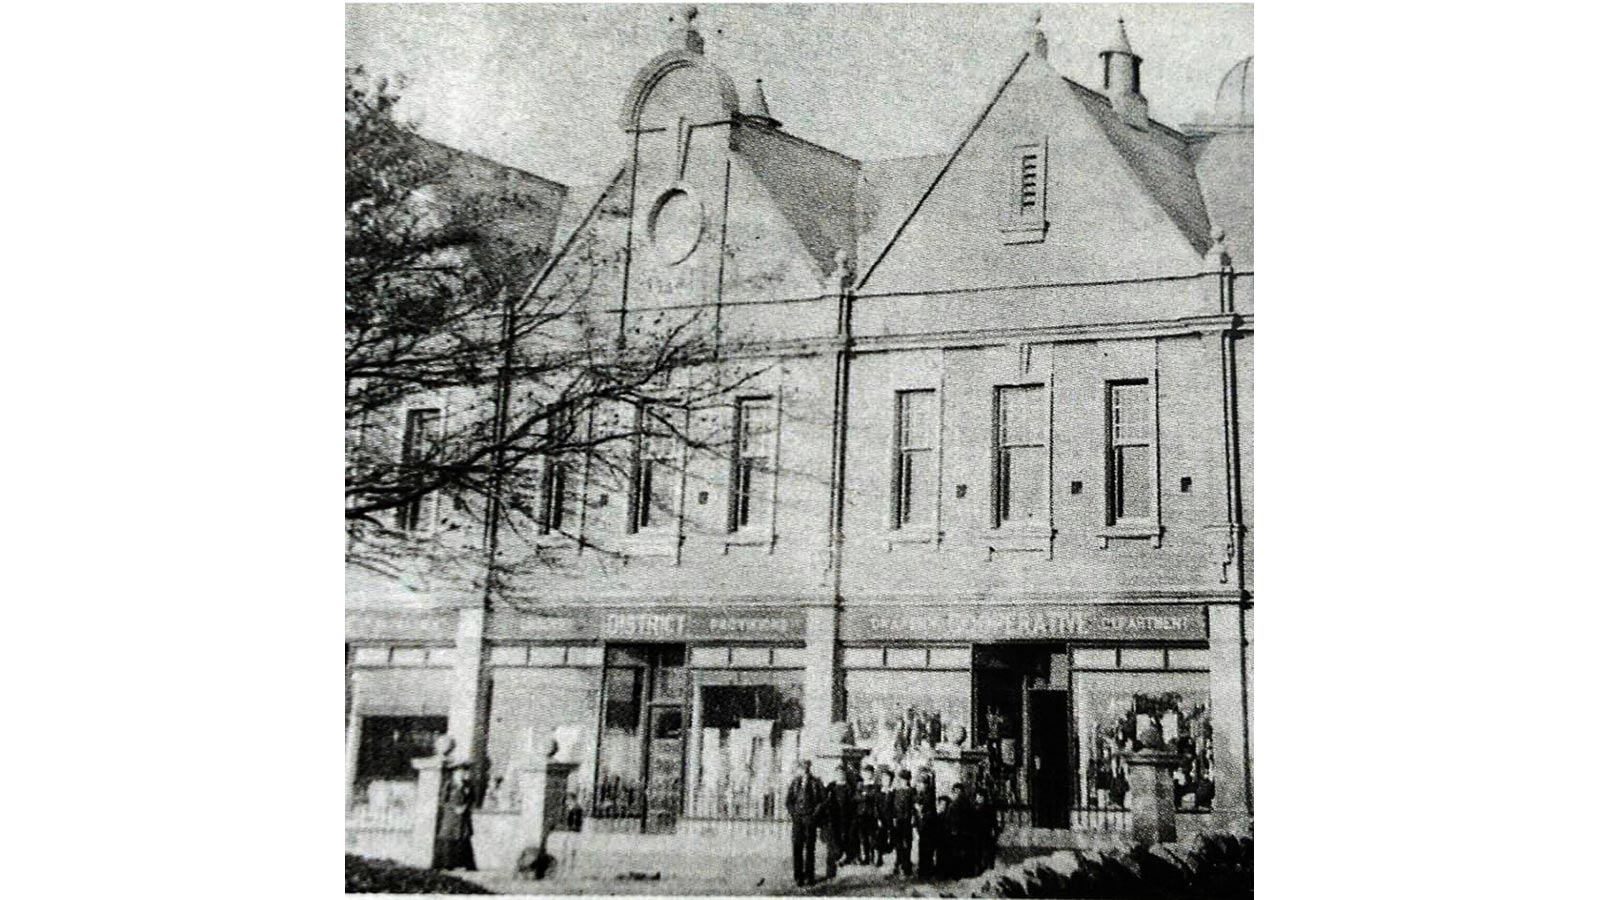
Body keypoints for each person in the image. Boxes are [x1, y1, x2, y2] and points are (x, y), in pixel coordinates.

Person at [785, 759, 824, 886]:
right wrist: (793, 814)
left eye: (806, 768)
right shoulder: (795, 783)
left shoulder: (816, 782)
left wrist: (814, 815)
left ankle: (810, 875)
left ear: (809, 769)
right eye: (801, 768)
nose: (804, 770)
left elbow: (822, 801)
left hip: (810, 819)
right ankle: (798, 876)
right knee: (797, 847)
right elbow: (788, 801)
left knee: (810, 848)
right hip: (798, 820)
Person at [434, 767, 477, 871]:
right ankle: (447, 864)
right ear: (454, 773)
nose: (462, 774)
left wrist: (465, 807)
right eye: (459, 772)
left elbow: (472, 799)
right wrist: (454, 808)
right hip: (451, 816)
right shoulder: (449, 785)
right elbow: (443, 801)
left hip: (463, 817)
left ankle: (466, 865)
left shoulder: (468, 785)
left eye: (463, 772)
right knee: (448, 838)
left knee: (464, 837)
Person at [820, 764, 853, 879]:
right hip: (832, 821)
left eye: (842, 773)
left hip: (845, 821)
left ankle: (843, 860)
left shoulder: (849, 787)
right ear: (835, 774)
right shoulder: (831, 786)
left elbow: (852, 803)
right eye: (838, 773)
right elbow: (823, 800)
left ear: (844, 775)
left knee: (843, 845)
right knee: (831, 847)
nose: (840, 775)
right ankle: (830, 873)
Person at [889, 768, 917, 877]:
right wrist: (894, 817)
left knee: (907, 844)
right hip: (898, 821)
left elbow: (914, 806)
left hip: (907, 821)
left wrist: (913, 817)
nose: (903, 781)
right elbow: (894, 806)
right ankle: (898, 863)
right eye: (901, 779)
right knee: (898, 843)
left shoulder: (911, 791)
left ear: (908, 780)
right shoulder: (897, 791)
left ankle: (907, 866)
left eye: (905, 779)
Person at [945, 782, 975, 877]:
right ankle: (967, 872)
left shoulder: (953, 805)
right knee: (966, 852)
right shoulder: (968, 803)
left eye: (955, 791)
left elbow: (948, 819)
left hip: (956, 832)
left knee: (956, 853)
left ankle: (957, 873)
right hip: (966, 831)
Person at [856, 765, 882, 866]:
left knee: (873, 837)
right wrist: (864, 796)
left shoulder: (876, 785)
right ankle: (866, 857)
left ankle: (874, 857)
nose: (867, 775)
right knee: (863, 837)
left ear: (872, 774)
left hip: (872, 814)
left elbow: (875, 797)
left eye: (869, 773)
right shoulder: (859, 784)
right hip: (862, 814)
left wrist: (864, 795)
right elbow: (856, 797)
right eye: (865, 773)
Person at [972, 786, 999, 874]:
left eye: (981, 797)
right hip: (977, 834)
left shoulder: (989, 808)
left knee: (988, 853)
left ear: (984, 798)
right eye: (977, 797)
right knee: (978, 853)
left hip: (987, 834)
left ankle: (989, 868)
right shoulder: (974, 809)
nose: (979, 799)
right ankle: (980, 869)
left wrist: (995, 831)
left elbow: (994, 821)